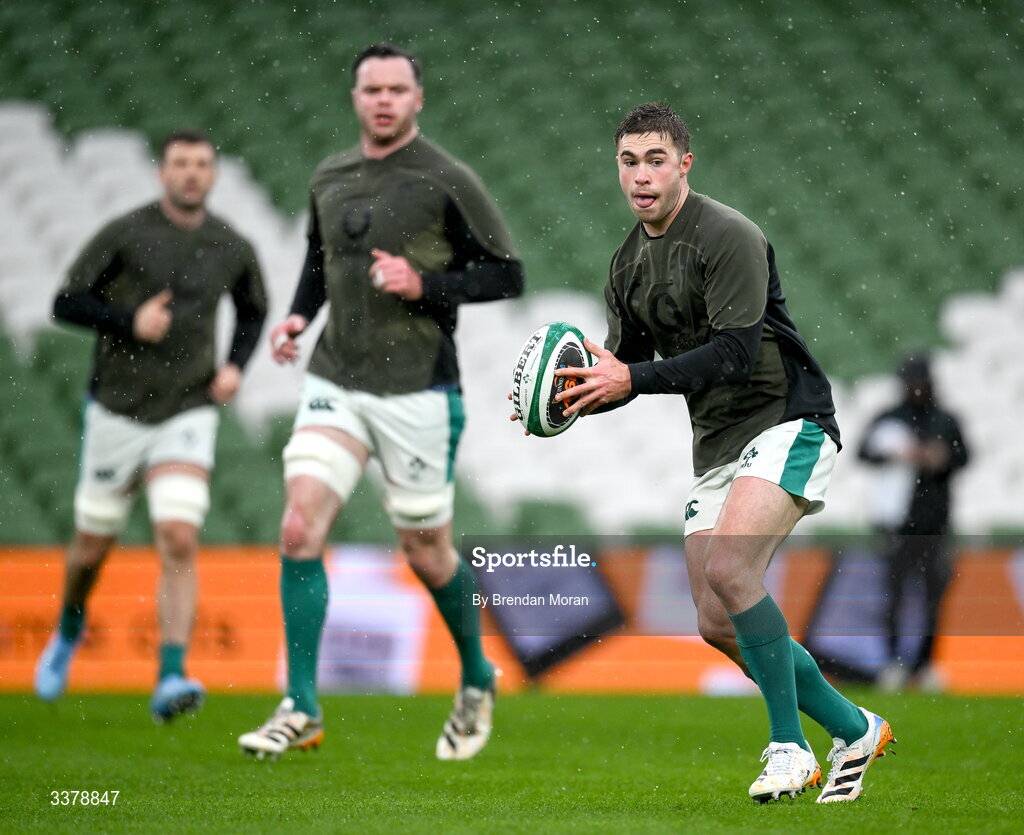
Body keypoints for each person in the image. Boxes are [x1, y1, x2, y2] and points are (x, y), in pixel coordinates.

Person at [552, 103, 893, 803]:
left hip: (786, 419)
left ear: (684, 162)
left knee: (733, 567)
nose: (641, 175)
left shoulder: (728, 234)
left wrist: (627, 375)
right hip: (717, 445)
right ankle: (854, 726)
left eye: (655, 159)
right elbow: (634, 366)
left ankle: (790, 748)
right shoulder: (625, 263)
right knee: (714, 618)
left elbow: (736, 353)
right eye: (628, 161)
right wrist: (577, 394)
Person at [237, 43, 523, 762]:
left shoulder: (447, 178)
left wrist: (426, 284)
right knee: (299, 526)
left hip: (418, 388)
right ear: (356, 97)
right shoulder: (329, 174)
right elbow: (318, 258)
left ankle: (477, 673)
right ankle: (301, 706)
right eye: (373, 89)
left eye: (398, 88)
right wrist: (300, 316)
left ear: (418, 98)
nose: (385, 99)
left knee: (426, 552)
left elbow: (507, 274)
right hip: (337, 380)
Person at [34, 129, 268, 721]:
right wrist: (126, 321)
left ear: (212, 176)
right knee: (91, 548)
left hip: (187, 410)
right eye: (180, 164)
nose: (191, 174)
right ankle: (68, 628)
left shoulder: (230, 245)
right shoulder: (126, 232)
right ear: (162, 172)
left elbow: (255, 308)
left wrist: (236, 366)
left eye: (201, 165)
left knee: (180, 538)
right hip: (117, 407)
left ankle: (170, 677)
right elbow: (66, 302)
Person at [858, 351, 969, 692]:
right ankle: (894, 663)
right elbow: (864, 452)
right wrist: (897, 455)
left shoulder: (945, 420)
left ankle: (925, 664)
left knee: (933, 596)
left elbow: (964, 456)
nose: (916, 389)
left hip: (934, 521)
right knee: (894, 594)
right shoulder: (891, 418)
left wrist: (942, 457)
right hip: (898, 523)